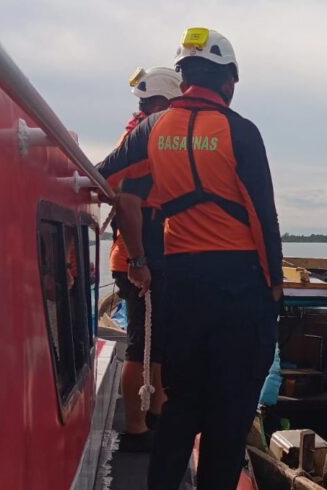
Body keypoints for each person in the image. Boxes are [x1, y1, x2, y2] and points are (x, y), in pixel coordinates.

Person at [97, 26, 283, 490]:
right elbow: (264, 216)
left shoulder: (153, 129)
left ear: (184, 79)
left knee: (180, 402)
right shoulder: (241, 131)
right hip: (239, 283)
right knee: (231, 405)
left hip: (180, 281)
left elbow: (105, 177)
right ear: (229, 81)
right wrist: (274, 287)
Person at [108, 67, 181, 451]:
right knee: (141, 343)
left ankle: (157, 408)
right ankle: (136, 429)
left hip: (155, 256)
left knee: (159, 340)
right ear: (163, 104)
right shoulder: (142, 144)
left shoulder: (146, 137)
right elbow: (128, 205)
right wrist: (139, 262)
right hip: (140, 261)